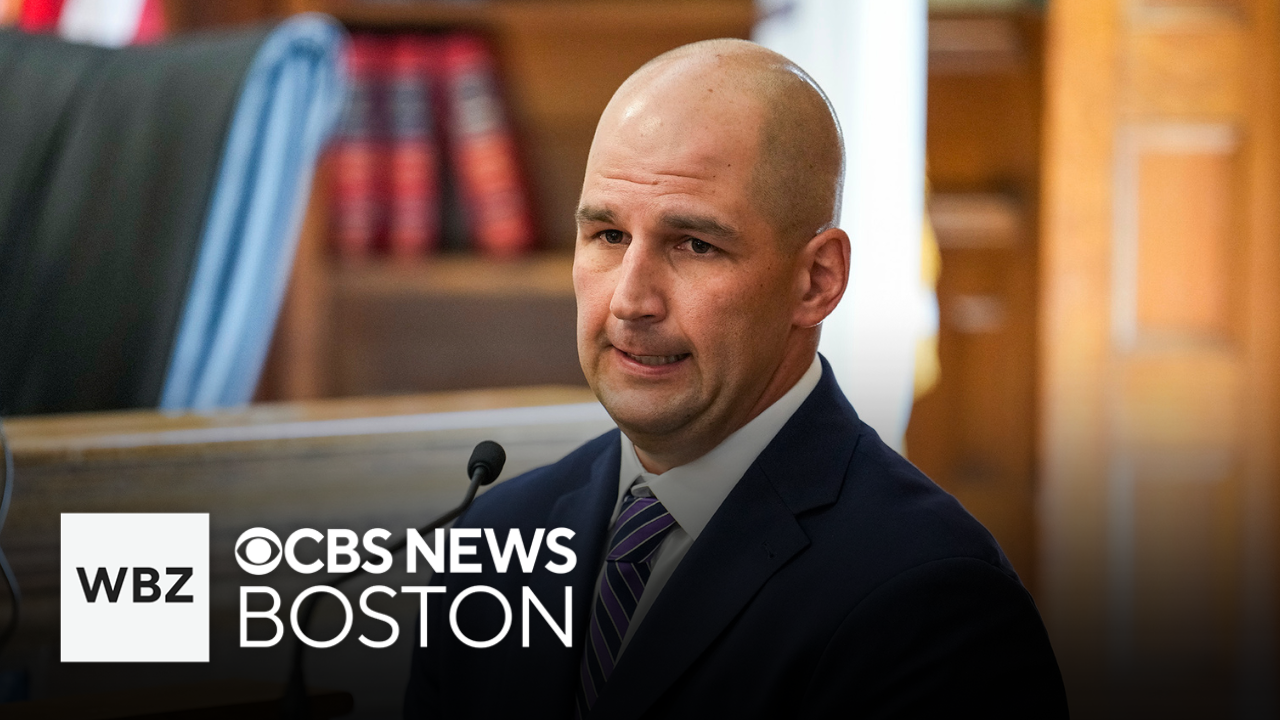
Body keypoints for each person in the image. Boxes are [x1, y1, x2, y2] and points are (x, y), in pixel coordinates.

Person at [404, 38, 1067, 719]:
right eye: (608, 236)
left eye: (695, 245)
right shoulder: (496, 539)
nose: (630, 301)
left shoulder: (934, 597)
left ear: (816, 280)